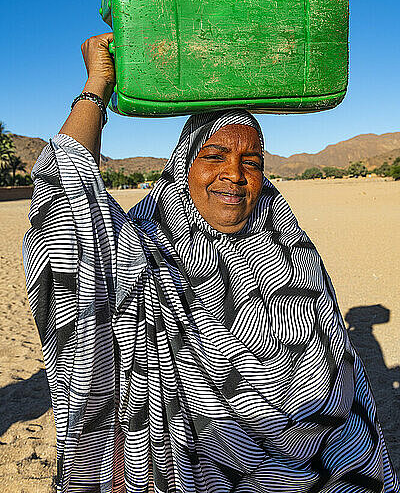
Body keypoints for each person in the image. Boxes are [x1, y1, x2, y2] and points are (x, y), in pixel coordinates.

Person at [23, 34, 399, 493]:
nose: (235, 175)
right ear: (183, 168)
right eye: (214, 157)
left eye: (252, 161)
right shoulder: (146, 248)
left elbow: (341, 383)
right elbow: (66, 197)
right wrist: (96, 87)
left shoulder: (291, 249)